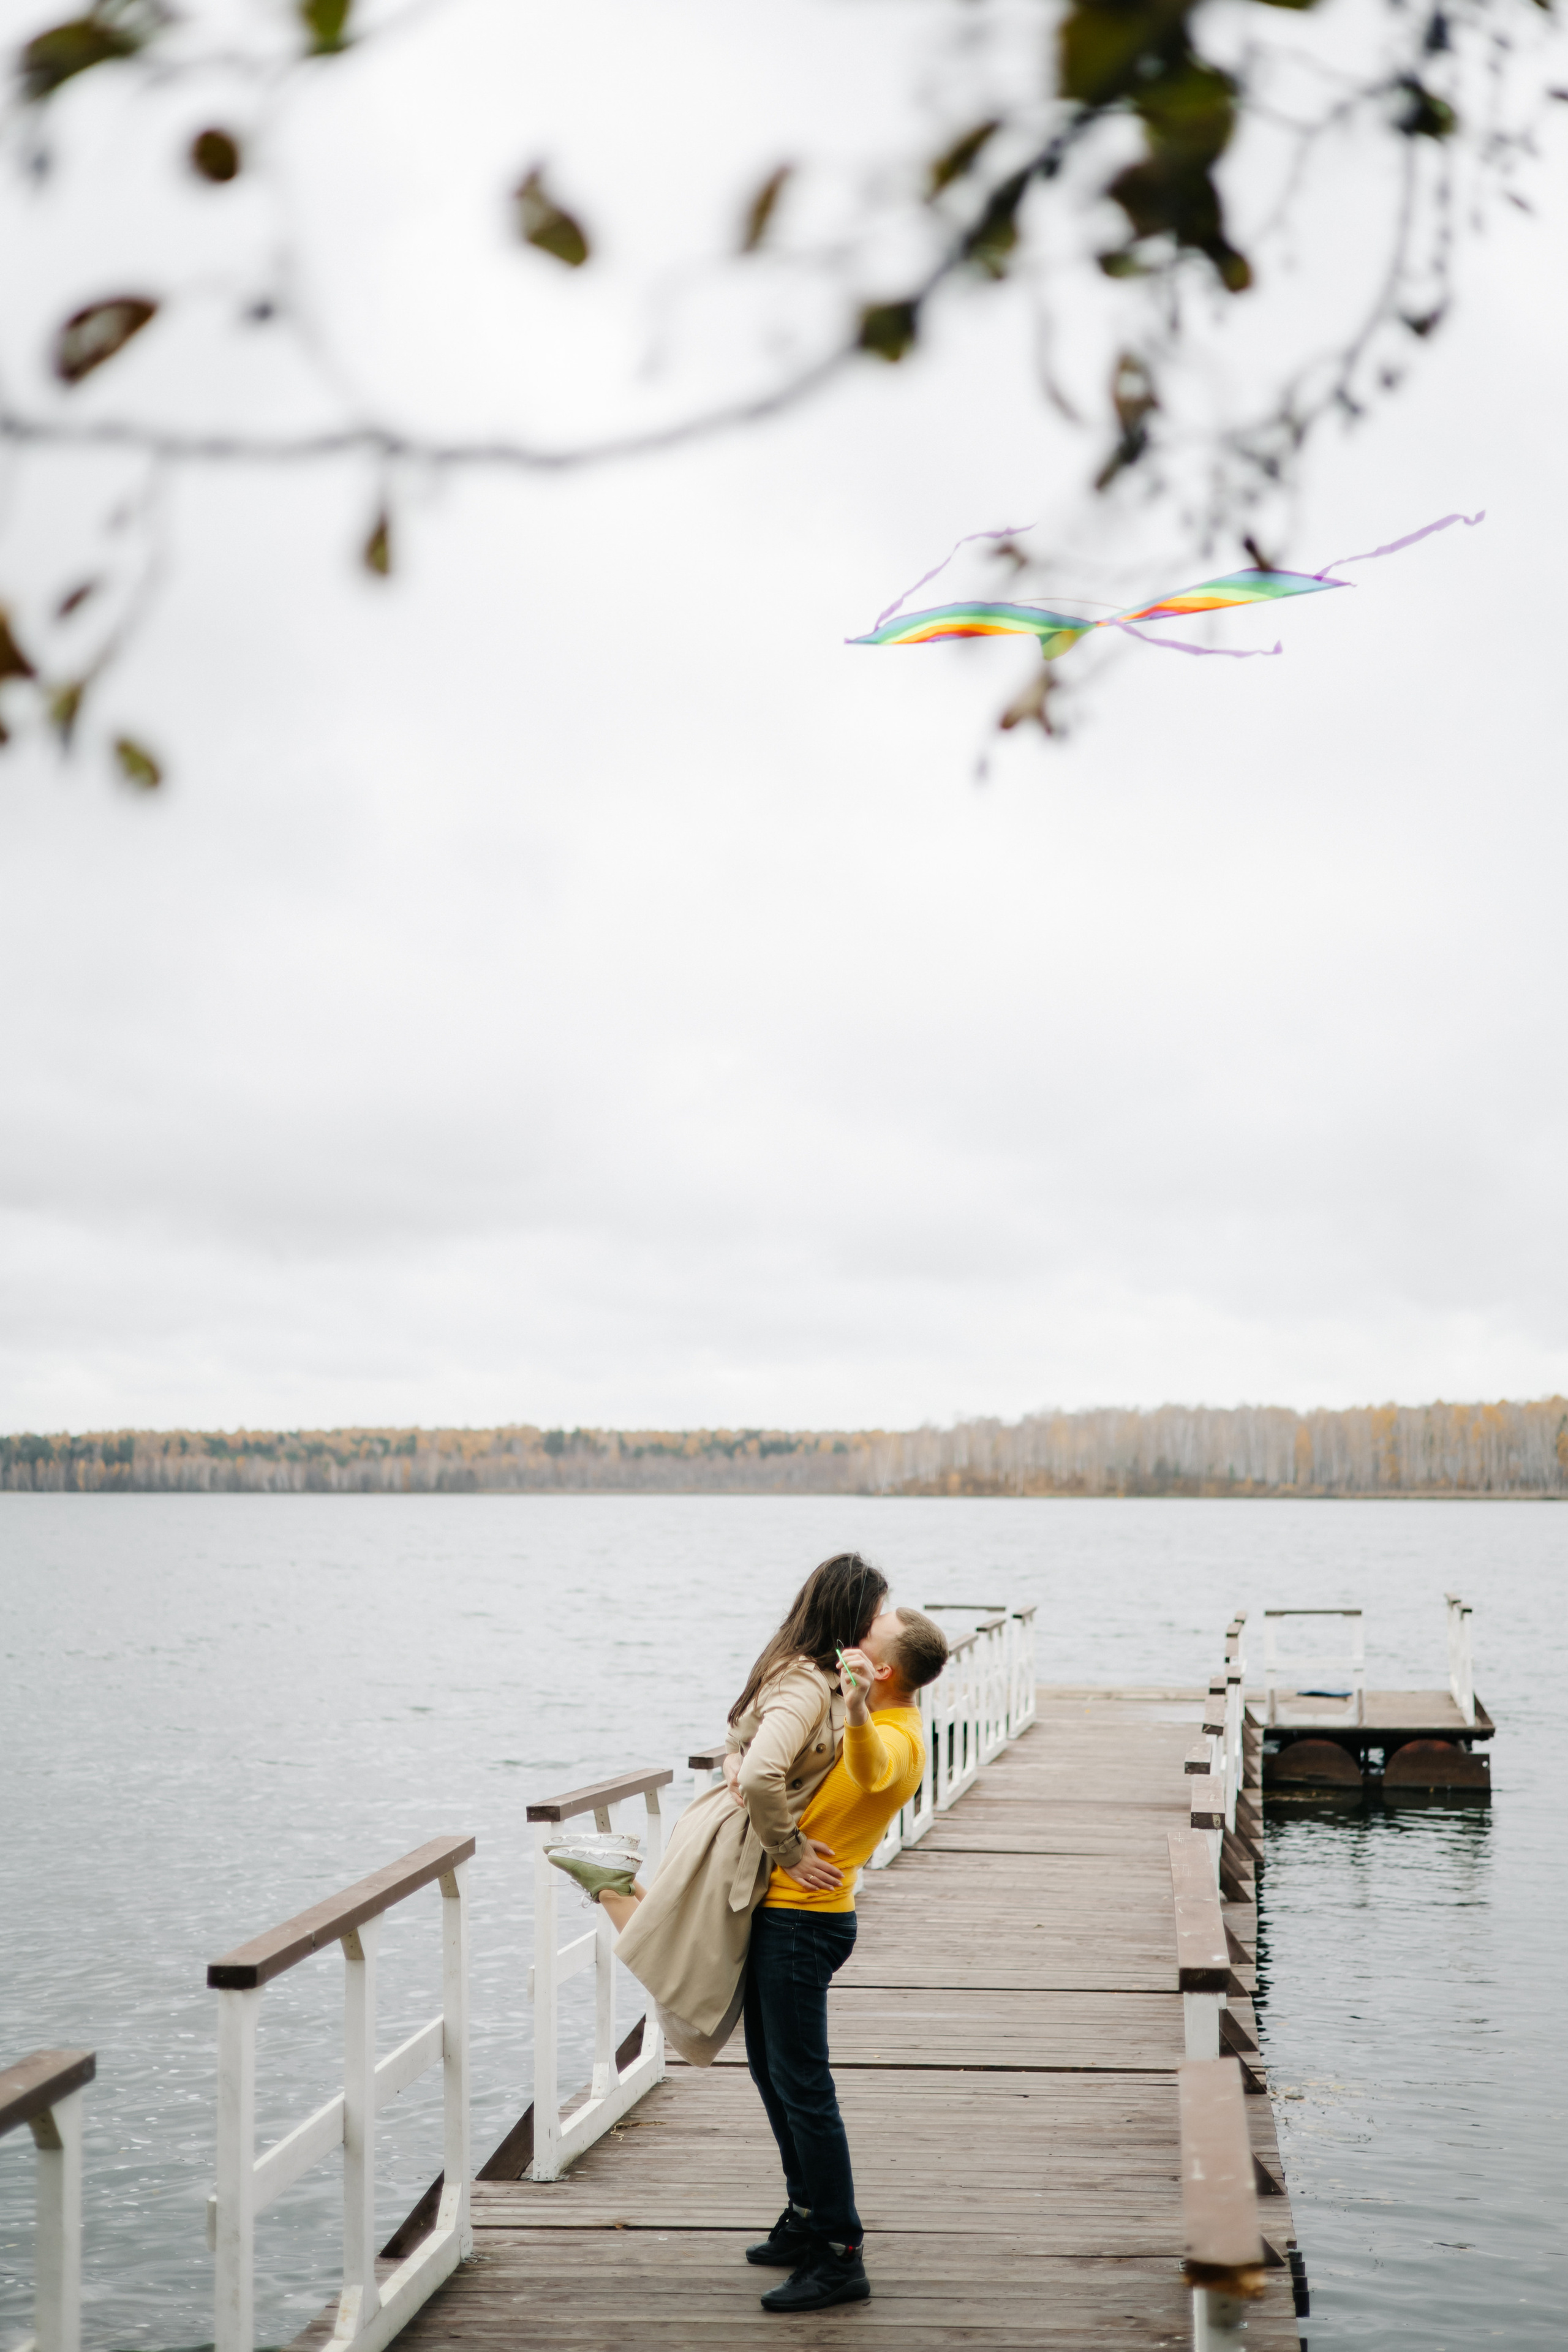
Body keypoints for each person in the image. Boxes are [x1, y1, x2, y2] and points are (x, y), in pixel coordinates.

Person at [544, 1552, 888, 2065]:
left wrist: (735, 1755)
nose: (879, 1629)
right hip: (742, 1838)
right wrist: (790, 1850)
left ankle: (612, 1874)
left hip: (730, 1826)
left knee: (684, 1950)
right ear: (851, 1620)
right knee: (693, 1986)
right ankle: (608, 1883)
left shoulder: (801, 1667)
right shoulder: (805, 1683)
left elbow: (740, 1734)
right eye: (876, 1618)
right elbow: (757, 1770)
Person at [738, 1604, 949, 2313]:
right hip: (783, 1917)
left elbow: (873, 1768)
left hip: (806, 1925)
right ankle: (804, 2216)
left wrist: (855, 1708)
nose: (852, 1641)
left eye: (867, 1640)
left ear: (882, 1669)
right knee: (773, 2073)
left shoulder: (897, 1736)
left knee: (803, 2085)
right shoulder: (862, 1716)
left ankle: (839, 2253)